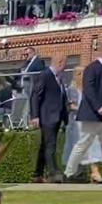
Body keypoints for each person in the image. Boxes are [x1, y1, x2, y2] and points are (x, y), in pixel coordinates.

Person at [63, 41, 102, 182]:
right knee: (84, 143)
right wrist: (98, 107)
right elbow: (89, 90)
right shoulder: (92, 68)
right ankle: (69, 172)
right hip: (93, 113)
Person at [29, 53, 68, 183]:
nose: (66, 66)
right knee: (50, 145)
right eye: (65, 63)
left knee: (45, 145)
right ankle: (53, 172)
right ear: (60, 62)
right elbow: (35, 95)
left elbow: (61, 97)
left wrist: (65, 116)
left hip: (56, 116)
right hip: (47, 116)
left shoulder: (59, 78)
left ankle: (37, 174)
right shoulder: (45, 75)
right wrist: (35, 116)